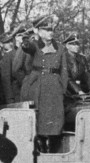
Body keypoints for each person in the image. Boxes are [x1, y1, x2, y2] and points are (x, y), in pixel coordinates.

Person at [20, 15, 69, 153]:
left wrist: (63, 88)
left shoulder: (59, 47)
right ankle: (40, 147)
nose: (50, 32)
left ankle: (52, 150)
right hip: (38, 86)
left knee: (55, 120)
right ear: (38, 31)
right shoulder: (34, 45)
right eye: (46, 30)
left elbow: (64, 71)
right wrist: (28, 37)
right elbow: (26, 47)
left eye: (52, 29)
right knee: (39, 120)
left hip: (54, 86)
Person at [63, 33, 90, 130]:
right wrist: (78, 91)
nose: (76, 46)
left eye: (77, 44)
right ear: (67, 46)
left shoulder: (82, 58)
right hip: (68, 93)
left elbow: (87, 75)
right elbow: (67, 78)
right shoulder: (63, 58)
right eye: (73, 44)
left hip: (81, 92)